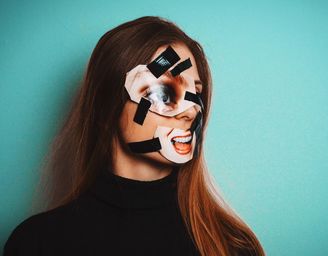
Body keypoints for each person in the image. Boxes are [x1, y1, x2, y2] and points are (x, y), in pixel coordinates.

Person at [3, 16, 266, 256]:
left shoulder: (232, 245)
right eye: (165, 94)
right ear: (107, 111)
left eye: (195, 94)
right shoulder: (37, 243)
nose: (190, 112)